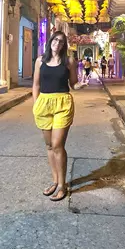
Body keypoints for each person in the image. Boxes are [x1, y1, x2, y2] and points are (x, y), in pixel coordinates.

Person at [33, 32, 82, 202]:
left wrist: (79, 85)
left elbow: (73, 84)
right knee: (48, 146)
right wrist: (35, 104)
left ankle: (62, 185)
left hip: (63, 103)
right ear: (50, 41)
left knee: (57, 145)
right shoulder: (40, 61)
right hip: (44, 103)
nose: (58, 43)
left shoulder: (69, 62)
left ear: (64, 45)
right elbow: (36, 84)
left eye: (61, 42)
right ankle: (55, 181)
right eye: (55, 40)